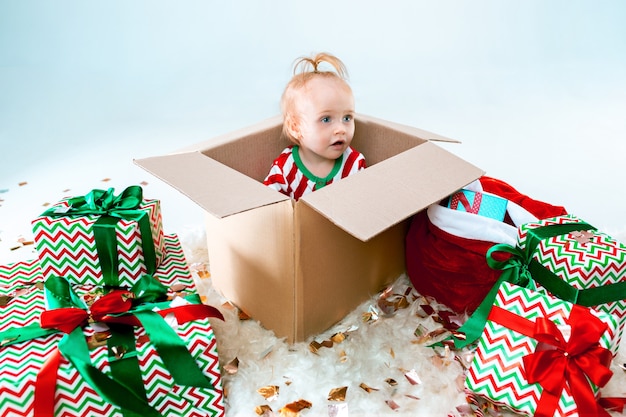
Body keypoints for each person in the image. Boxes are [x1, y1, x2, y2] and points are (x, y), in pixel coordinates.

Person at [263, 52, 366, 201]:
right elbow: (269, 208)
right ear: (295, 127)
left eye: (347, 118)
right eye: (326, 119)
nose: (341, 129)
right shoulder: (284, 169)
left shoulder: (354, 164)